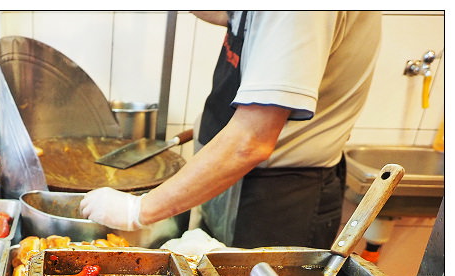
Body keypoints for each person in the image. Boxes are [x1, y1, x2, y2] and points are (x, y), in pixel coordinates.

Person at [80, 11, 382, 249]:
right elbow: (227, 13)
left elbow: (250, 141)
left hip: (275, 203)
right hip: (238, 184)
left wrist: (137, 210)